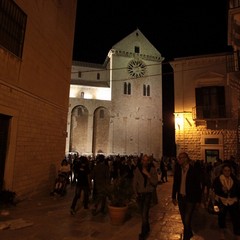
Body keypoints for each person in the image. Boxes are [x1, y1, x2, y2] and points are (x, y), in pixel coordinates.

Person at [171, 152, 202, 240]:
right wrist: (173, 196)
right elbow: (175, 184)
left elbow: (197, 186)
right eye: (178, 158)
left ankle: (186, 237)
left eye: (180, 158)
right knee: (183, 217)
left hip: (190, 198)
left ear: (185, 159)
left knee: (187, 218)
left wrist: (198, 200)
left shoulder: (193, 170)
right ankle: (189, 233)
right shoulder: (178, 170)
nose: (178, 159)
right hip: (181, 197)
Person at [133, 154, 158, 240]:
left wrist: (148, 175)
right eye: (143, 160)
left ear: (149, 161)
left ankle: (143, 233)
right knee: (143, 214)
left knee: (144, 214)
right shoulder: (137, 169)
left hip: (148, 194)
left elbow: (155, 182)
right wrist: (135, 193)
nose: (145, 162)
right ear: (141, 161)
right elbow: (134, 182)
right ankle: (147, 228)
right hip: (140, 195)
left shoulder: (152, 170)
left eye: (146, 160)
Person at [212, 163, 240, 240]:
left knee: (236, 218)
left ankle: (237, 234)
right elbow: (215, 189)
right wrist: (221, 190)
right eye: (225, 170)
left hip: (232, 201)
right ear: (222, 171)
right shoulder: (218, 180)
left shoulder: (234, 179)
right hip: (222, 201)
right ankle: (222, 232)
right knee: (221, 217)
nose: (227, 172)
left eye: (228, 171)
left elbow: (237, 189)